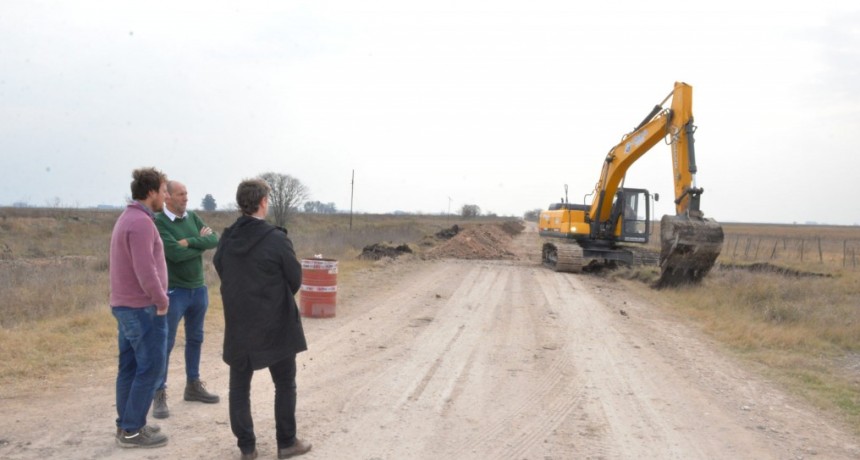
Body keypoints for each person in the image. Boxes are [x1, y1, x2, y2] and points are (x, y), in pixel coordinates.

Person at [214, 179, 312, 460]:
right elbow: (295, 278)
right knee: (284, 383)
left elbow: (221, 267)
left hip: (240, 322)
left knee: (239, 387)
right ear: (263, 202)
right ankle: (287, 443)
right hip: (275, 323)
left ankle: (247, 448)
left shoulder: (228, 237)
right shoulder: (276, 238)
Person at [109, 167, 170, 448]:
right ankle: (133, 429)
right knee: (151, 368)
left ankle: (127, 425)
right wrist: (161, 299)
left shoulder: (128, 218)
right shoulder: (141, 223)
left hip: (126, 306)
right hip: (142, 308)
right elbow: (146, 270)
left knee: (131, 368)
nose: (166, 196)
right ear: (151, 192)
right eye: (163, 190)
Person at [151, 180, 220, 420]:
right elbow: (175, 254)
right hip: (174, 291)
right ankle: (158, 393)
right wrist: (199, 244)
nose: (186, 198)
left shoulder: (192, 217)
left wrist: (190, 241)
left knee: (196, 338)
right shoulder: (159, 223)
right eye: (180, 194)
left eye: (187, 193)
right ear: (167, 196)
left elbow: (215, 239)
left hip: (198, 289)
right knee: (165, 342)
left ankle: (193, 385)